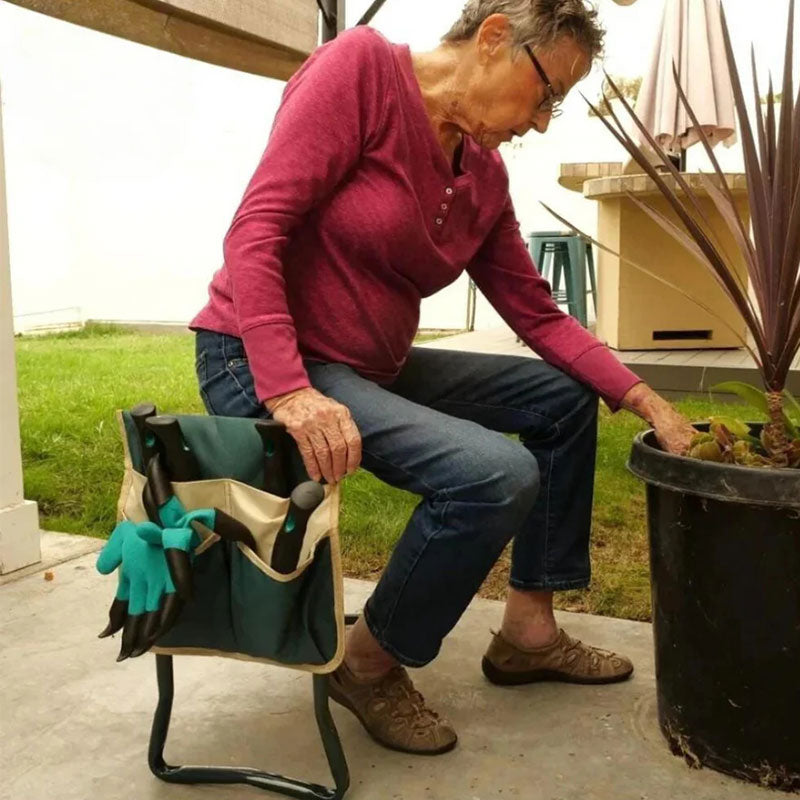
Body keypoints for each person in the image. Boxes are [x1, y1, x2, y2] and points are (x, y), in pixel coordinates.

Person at [190, 0, 696, 756]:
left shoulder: (483, 176)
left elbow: (537, 313)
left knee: (562, 400)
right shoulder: (360, 70)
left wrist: (641, 394)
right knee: (493, 474)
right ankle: (367, 663)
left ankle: (528, 633)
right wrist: (289, 388)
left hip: (369, 366)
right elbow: (257, 227)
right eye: (547, 93)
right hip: (260, 358)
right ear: (493, 38)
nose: (542, 122)